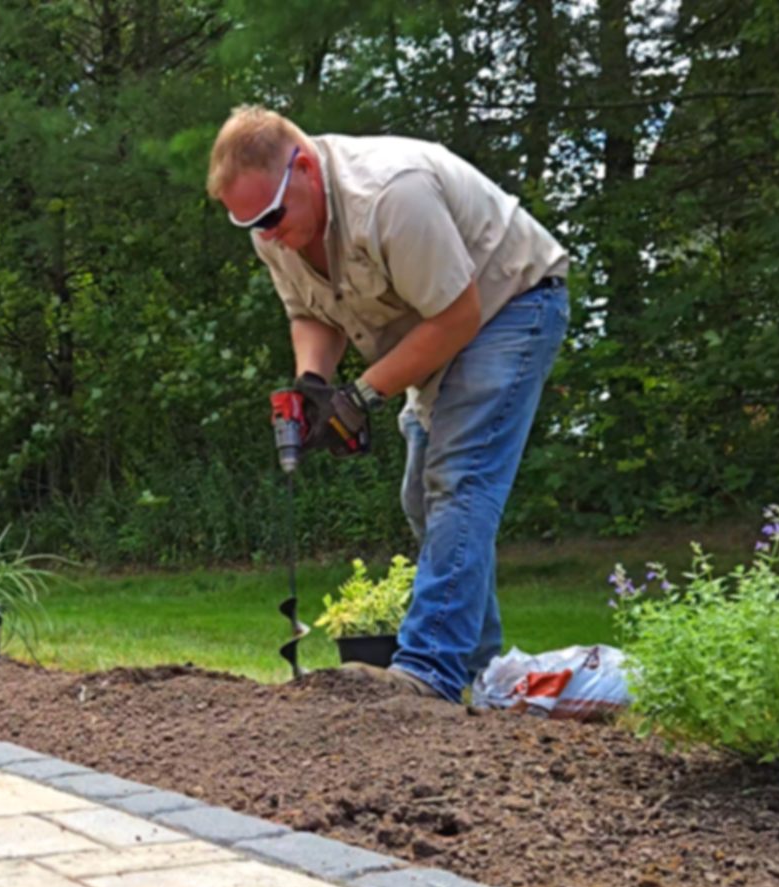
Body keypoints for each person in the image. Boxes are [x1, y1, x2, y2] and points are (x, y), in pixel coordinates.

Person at [209, 106, 569, 703]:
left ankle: (430, 671)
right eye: (248, 222)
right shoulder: (273, 229)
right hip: (437, 329)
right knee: (420, 497)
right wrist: (313, 384)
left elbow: (459, 315)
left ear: (304, 169)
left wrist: (361, 395)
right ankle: (484, 675)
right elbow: (310, 313)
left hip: (508, 306)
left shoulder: (390, 195)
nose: (265, 234)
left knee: (459, 481)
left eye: (270, 215)